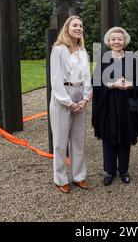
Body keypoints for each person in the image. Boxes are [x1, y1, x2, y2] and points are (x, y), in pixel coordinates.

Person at [92, 27, 138, 186]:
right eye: (113, 39)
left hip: (127, 105)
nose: (116, 41)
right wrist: (111, 84)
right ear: (108, 41)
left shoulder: (133, 60)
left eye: (119, 39)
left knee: (126, 136)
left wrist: (130, 85)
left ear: (124, 41)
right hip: (108, 104)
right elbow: (96, 84)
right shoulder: (103, 59)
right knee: (108, 137)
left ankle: (124, 170)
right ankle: (109, 171)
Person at [49, 15, 92, 193]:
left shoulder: (83, 51)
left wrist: (85, 99)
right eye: (75, 25)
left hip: (80, 95)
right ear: (67, 28)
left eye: (81, 26)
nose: (78, 28)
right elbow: (56, 79)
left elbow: (87, 77)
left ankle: (79, 176)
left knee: (78, 139)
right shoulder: (58, 50)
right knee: (60, 141)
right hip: (63, 97)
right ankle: (60, 178)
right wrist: (68, 102)